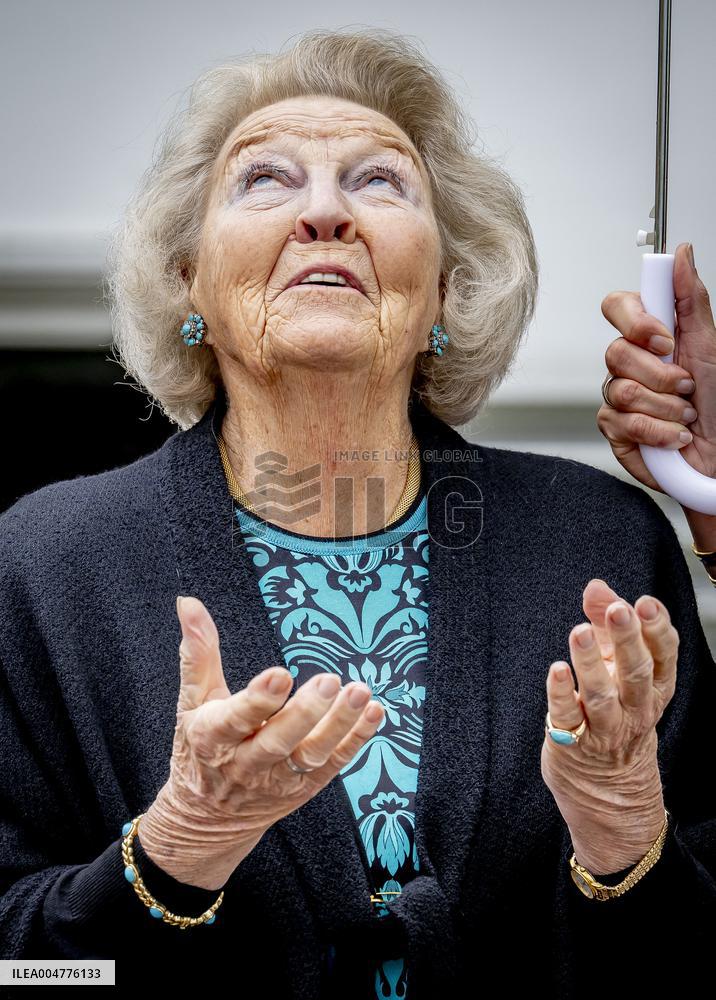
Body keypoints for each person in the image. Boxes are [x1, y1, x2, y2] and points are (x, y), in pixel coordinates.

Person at [1, 27, 715, 999]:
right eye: (265, 181)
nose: (325, 213)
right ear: (187, 281)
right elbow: (30, 975)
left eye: (379, 181)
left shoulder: (596, 542)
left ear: (445, 294)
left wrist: (626, 840)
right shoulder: (44, 565)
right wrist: (173, 851)